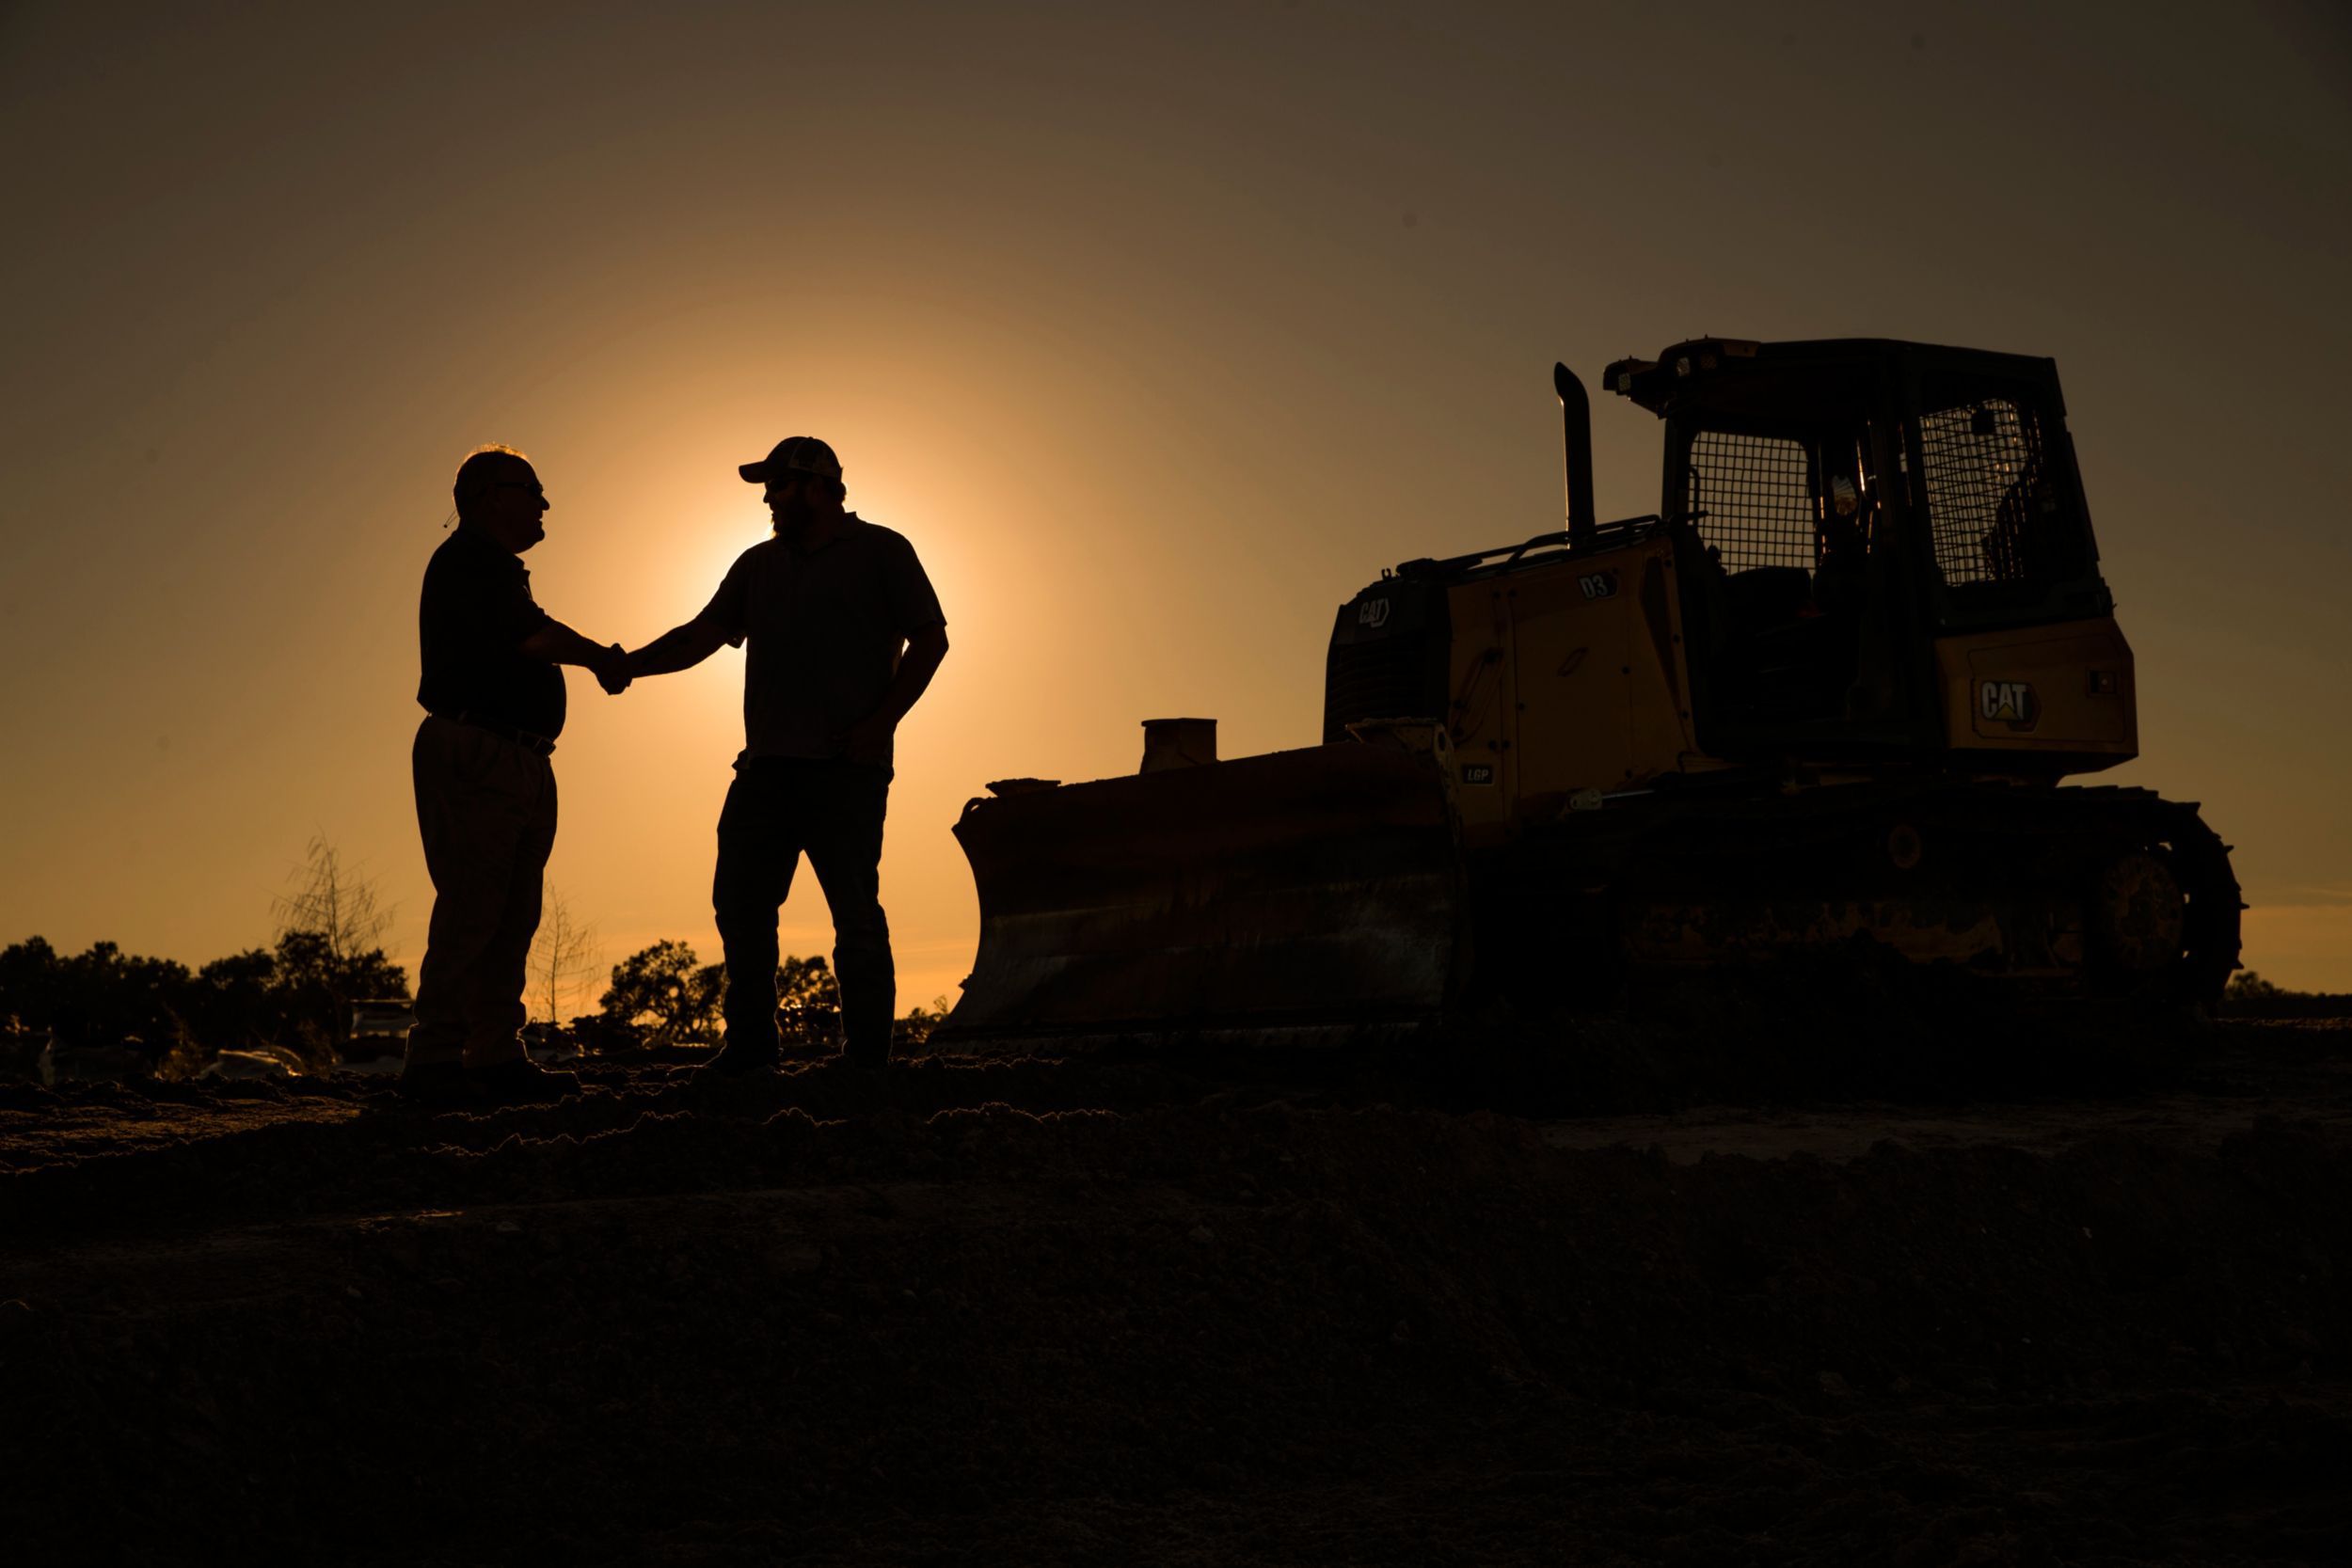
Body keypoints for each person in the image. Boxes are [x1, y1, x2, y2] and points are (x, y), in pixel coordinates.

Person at [623, 436, 947, 1078]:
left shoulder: (884, 551)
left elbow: (932, 639)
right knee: (740, 904)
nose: (769, 499)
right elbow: (704, 634)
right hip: (766, 768)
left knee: (854, 911)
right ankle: (750, 1047)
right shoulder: (756, 566)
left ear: (817, 485)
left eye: (779, 485)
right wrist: (628, 664)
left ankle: (866, 1061)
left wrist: (878, 725)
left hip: (846, 771)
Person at [400, 445, 631, 1105]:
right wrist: (601, 658)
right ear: (486, 495)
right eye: (530, 488)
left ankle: (492, 1052)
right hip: (484, 751)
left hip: (518, 757)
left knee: (510, 914)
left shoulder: (493, 568)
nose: (543, 501)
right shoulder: (471, 561)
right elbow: (531, 636)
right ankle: (437, 1058)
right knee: (476, 907)